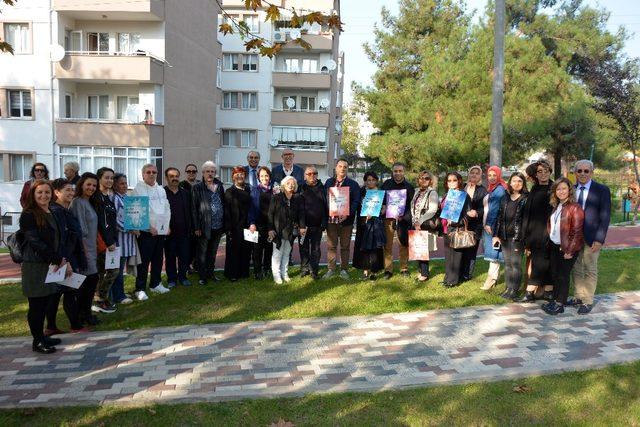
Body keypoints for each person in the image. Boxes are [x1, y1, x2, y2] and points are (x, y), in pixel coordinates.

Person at [20, 179, 70, 353]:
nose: (43, 195)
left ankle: (42, 336)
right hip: (36, 266)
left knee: (46, 301)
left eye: (47, 192)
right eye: (39, 192)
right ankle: (37, 341)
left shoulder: (52, 211)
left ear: (52, 194)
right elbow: (35, 242)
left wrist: (62, 259)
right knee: (37, 304)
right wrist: (57, 259)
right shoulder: (28, 214)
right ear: (33, 194)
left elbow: (59, 239)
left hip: (51, 264)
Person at [568, 159, 611, 314]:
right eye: (580, 171)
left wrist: (600, 238)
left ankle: (587, 301)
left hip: (592, 237)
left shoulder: (602, 190)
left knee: (590, 268)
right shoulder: (571, 189)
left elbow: (605, 216)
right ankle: (578, 296)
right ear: (575, 173)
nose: (583, 174)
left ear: (592, 172)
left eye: (586, 171)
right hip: (574, 237)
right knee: (576, 267)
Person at [46, 178, 88, 336]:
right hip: (63, 259)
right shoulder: (56, 212)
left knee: (59, 293)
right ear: (56, 192)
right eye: (67, 190)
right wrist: (66, 262)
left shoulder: (64, 210)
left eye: (72, 190)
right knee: (68, 292)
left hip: (67, 257)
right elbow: (60, 239)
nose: (71, 192)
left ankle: (52, 326)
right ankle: (74, 326)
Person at [542, 178, 585, 315]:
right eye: (558, 189)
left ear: (569, 190)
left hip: (567, 248)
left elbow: (577, 232)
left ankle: (560, 305)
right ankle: (555, 300)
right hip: (555, 246)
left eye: (564, 188)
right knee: (555, 274)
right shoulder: (557, 206)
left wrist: (570, 250)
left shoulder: (575, 207)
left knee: (563, 276)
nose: (561, 191)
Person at [132, 164, 172, 300]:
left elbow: (167, 208)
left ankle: (156, 284)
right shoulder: (138, 189)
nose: (151, 174)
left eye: (154, 172)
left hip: (160, 232)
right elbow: (137, 212)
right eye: (148, 172)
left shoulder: (161, 190)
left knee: (158, 259)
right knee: (143, 262)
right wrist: (148, 227)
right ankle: (140, 288)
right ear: (143, 174)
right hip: (146, 232)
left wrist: (167, 226)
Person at [70, 173, 101, 326]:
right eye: (88, 184)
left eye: (94, 185)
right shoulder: (78, 202)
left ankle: (85, 313)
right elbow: (80, 230)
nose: (91, 188)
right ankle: (83, 314)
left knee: (91, 282)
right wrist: (84, 252)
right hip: (84, 249)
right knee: (88, 281)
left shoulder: (88, 202)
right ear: (81, 184)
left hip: (91, 248)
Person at [520, 160, 554, 302]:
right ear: (536, 174)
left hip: (550, 232)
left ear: (550, 171)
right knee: (537, 262)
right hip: (534, 233)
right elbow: (527, 213)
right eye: (540, 171)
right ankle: (538, 292)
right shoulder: (534, 189)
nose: (543, 174)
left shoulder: (555, 188)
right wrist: (525, 235)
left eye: (546, 170)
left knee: (547, 262)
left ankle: (543, 292)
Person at [492, 172, 528, 300]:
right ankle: (508, 288)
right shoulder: (505, 197)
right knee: (507, 264)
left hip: (518, 238)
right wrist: (496, 235)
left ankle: (514, 290)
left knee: (516, 264)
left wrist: (524, 239)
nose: (516, 183)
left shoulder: (526, 199)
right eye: (514, 181)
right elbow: (499, 217)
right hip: (504, 236)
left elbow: (526, 221)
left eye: (520, 181)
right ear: (510, 182)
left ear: (523, 183)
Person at [324, 159, 360, 279]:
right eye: (340, 166)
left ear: (347, 169)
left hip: (346, 221)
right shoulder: (329, 182)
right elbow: (325, 199)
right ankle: (331, 269)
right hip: (331, 221)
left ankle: (344, 270)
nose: (342, 169)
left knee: (345, 246)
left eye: (345, 167)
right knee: (331, 246)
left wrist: (348, 213)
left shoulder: (353, 184)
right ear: (336, 168)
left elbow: (356, 201)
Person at [191, 161, 225, 285]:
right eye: (207, 171)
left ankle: (211, 273)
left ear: (215, 173)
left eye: (212, 171)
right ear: (203, 173)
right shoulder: (197, 187)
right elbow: (194, 209)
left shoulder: (219, 186)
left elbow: (223, 204)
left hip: (218, 226)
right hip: (204, 226)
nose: (210, 174)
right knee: (202, 253)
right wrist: (196, 227)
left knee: (213, 252)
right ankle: (202, 276)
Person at [92, 167, 119, 314]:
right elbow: (101, 224)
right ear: (99, 178)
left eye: (111, 178)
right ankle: (99, 300)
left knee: (109, 271)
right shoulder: (97, 198)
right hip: (102, 243)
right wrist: (108, 242)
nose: (109, 180)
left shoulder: (107, 197)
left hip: (110, 241)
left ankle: (102, 298)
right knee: (108, 271)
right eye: (106, 177)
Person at [268, 176, 306, 284]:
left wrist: (302, 227)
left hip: (290, 231)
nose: (291, 185)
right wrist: (270, 229)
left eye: (293, 183)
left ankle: (284, 274)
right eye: (288, 183)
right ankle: (276, 275)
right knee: (277, 254)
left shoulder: (297, 198)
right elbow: (270, 214)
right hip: (278, 230)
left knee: (286, 253)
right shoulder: (276, 197)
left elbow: (301, 214)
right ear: (283, 185)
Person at [381, 162, 415, 279]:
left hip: (403, 220)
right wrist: (384, 207)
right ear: (392, 172)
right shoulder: (386, 184)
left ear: (403, 172)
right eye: (395, 171)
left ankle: (404, 268)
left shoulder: (409, 187)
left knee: (403, 245)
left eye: (400, 171)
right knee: (387, 245)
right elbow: (382, 201)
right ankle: (388, 270)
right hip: (388, 219)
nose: (398, 173)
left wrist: (404, 216)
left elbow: (411, 206)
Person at [441, 171, 471, 287]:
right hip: (445, 229)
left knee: (456, 256)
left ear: (459, 181)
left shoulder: (464, 195)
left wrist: (455, 222)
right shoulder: (446, 194)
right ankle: (447, 277)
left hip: (456, 229)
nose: (452, 182)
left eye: (454, 180)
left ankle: (453, 281)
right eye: (449, 180)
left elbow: (467, 214)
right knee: (448, 255)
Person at [353, 171, 385, 280]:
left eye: (373, 180)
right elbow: (356, 204)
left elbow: (385, 207)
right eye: (368, 180)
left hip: (376, 223)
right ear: (365, 181)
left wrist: (380, 211)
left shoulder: (380, 192)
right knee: (364, 248)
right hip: (363, 223)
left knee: (375, 248)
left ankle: (374, 271)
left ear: (376, 181)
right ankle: (365, 270)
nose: (371, 182)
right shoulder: (361, 191)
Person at [164, 167, 192, 287]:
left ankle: (183, 277)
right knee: (170, 257)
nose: (174, 178)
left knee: (184, 256)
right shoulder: (162, 193)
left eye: (176, 176)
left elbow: (190, 211)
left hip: (184, 231)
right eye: (171, 176)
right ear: (167, 178)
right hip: (168, 232)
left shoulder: (185, 193)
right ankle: (171, 279)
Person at [110, 173, 135, 305]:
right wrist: (130, 229)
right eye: (121, 183)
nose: (125, 186)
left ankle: (120, 293)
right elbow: (115, 221)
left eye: (125, 183)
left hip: (128, 240)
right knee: (116, 271)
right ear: (114, 185)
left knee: (120, 270)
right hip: (119, 240)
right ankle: (118, 296)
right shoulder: (114, 199)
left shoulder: (126, 198)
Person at [481, 166, 507, 290]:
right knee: (493, 251)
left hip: (492, 225)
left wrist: (489, 224)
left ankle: (491, 279)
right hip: (488, 223)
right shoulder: (492, 189)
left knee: (494, 252)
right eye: (489, 175)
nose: (491, 177)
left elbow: (495, 208)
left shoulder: (500, 189)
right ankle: (493, 278)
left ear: (499, 176)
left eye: (494, 175)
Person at [410, 170, 439, 282]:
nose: (423, 180)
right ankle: (421, 271)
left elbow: (432, 210)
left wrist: (420, 221)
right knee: (418, 249)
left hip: (423, 224)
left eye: (426, 178)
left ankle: (425, 274)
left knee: (423, 249)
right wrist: (414, 220)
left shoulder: (432, 193)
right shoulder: (416, 191)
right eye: (421, 178)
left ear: (430, 180)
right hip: (415, 223)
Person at [224, 166, 252, 281]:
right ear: (233, 177)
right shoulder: (229, 192)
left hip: (248, 225)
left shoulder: (249, 190)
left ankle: (244, 273)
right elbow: (226, 211)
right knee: (233, 251)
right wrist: (228, 229)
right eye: (237, 174)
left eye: (242, 174)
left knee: (246, 250)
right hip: (234, 227)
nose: (240, 176)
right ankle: (233, 274)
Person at [299, 166, 327, 279]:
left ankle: (314, 270)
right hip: (303, 226)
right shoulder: (300, 188)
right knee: (303, 248)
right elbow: (297, 208)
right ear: (305, 176)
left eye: (314, 173)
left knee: (315, 249)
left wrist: (324, 223)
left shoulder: (322, 188)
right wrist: (300, 224)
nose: (312, 176)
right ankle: (304, 268)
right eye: (309, 174)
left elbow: (326, 207)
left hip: (318, 225)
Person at [461, 166, 487, 281]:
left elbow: (485, 209)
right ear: (469, 174)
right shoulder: (462, 188)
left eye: (477, 173)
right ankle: (459, 271)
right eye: (472, 173)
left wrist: (476, 212)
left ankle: (467, 274)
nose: (474, 175)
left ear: (480, 176)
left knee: (471, 251)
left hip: (475, 225)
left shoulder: (483, 190)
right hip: (461, 223)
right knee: (461, 249)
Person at [248, 166, 274, 280]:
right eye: (262, 176)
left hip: (271, 225)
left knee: (269, 249)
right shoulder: (255, 190)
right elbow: (251, 208)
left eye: (266, 175)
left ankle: (267, 269)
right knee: (257, 250)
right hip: (258, 225)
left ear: (269, 177)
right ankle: (257, 271)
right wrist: (252, 222)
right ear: (258, 177)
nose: (264, 178)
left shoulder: (275, 190)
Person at [179, 163, 200, 274]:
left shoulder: (201, 184)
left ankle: (196, 265)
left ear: (196, 173)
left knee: (198, 245)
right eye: (189, 171)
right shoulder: (181, 185)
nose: (191, 173)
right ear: (186, 173)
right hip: (186, 219)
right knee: (187, 246)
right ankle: (187, 266)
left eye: (193, 171)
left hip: (199, 219)